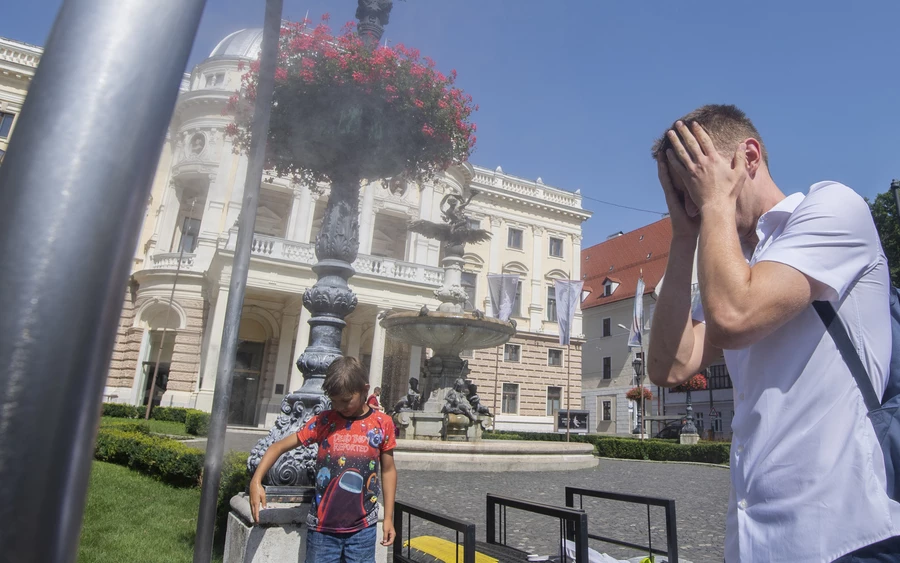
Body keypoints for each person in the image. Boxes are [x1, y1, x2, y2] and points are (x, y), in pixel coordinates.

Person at [646, 104, 899, 562]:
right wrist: (683, 237)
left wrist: (715, 203)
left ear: (749, 157)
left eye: (698, 183)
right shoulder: (733, 263)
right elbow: (669, 365)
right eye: (683, 194)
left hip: (844, 534)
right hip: (754, 537)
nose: (693, 204)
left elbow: (734, 317)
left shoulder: (834, 208)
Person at [249, 357, 397, 562]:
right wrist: (256, 481)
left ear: (365, 389)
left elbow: (388, 470)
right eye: (334, 401)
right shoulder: (324, 421)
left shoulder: (382, 423)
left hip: (363, 529)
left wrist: (388, 517)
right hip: (322, 529)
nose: (339, 407)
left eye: (345, 401)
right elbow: (278, 446)